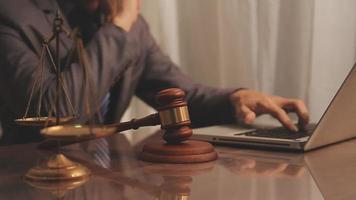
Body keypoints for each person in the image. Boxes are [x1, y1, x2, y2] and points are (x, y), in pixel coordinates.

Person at [0, 0, 309, 145]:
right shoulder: (11, 14)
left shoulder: (125, 23)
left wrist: (235, 98)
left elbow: (177, 95)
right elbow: (55, 111)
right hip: (34, 181)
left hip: (108, 181)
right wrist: (118, 29)